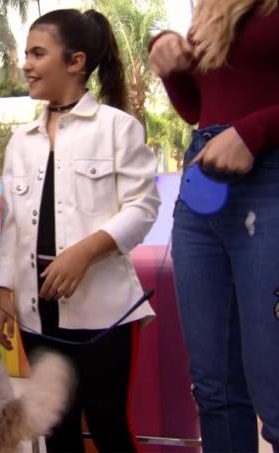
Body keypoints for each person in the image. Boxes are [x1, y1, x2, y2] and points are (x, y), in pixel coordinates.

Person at [0, 9, 160, 452]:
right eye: (26, 54)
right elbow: (13, 224)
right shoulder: (20, 141)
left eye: (37, 54)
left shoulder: (117, 128)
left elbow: (143, 207)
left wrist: (84, 252)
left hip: (103, 312)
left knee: (107, 422)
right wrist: (5, 290)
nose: (26, 65)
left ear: (75, 61)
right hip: (35, 313)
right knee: (55, 427)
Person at [148, 0, 279, 450]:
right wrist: (170, 62)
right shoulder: (212, 6)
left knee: (274, 383)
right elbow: (196, 109)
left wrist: (254, 132)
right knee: (213, 387)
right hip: (203, 182)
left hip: (270, 179)